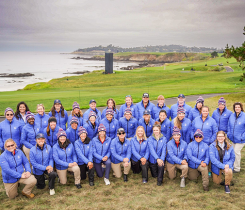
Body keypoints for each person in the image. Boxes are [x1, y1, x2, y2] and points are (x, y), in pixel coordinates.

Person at [227, 102, 245, 173]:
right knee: (232, 153)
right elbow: (229, 125)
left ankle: (237, 168)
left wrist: (242, 137)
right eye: (236, 107)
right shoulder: (232, 115)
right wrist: (229, 134)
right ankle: (233, 166)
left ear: (241, 108)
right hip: (233, 139)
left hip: (241, 139)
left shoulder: (244, 116)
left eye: (238, 107)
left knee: (236, 152)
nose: (237, 108)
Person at [148, 122, 167, 186]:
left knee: (161, 166)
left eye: (157, 130)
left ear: (159, 130)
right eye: (154, 130)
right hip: (152, 159)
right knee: (154, 175)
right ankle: (157, 173)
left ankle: (160, 181)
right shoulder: (150, 139)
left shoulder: (164, 139)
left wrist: (161, 159)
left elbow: (164, 150)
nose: (155, 131)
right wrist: (157, 158)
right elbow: (151, 150)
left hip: (160, 159)